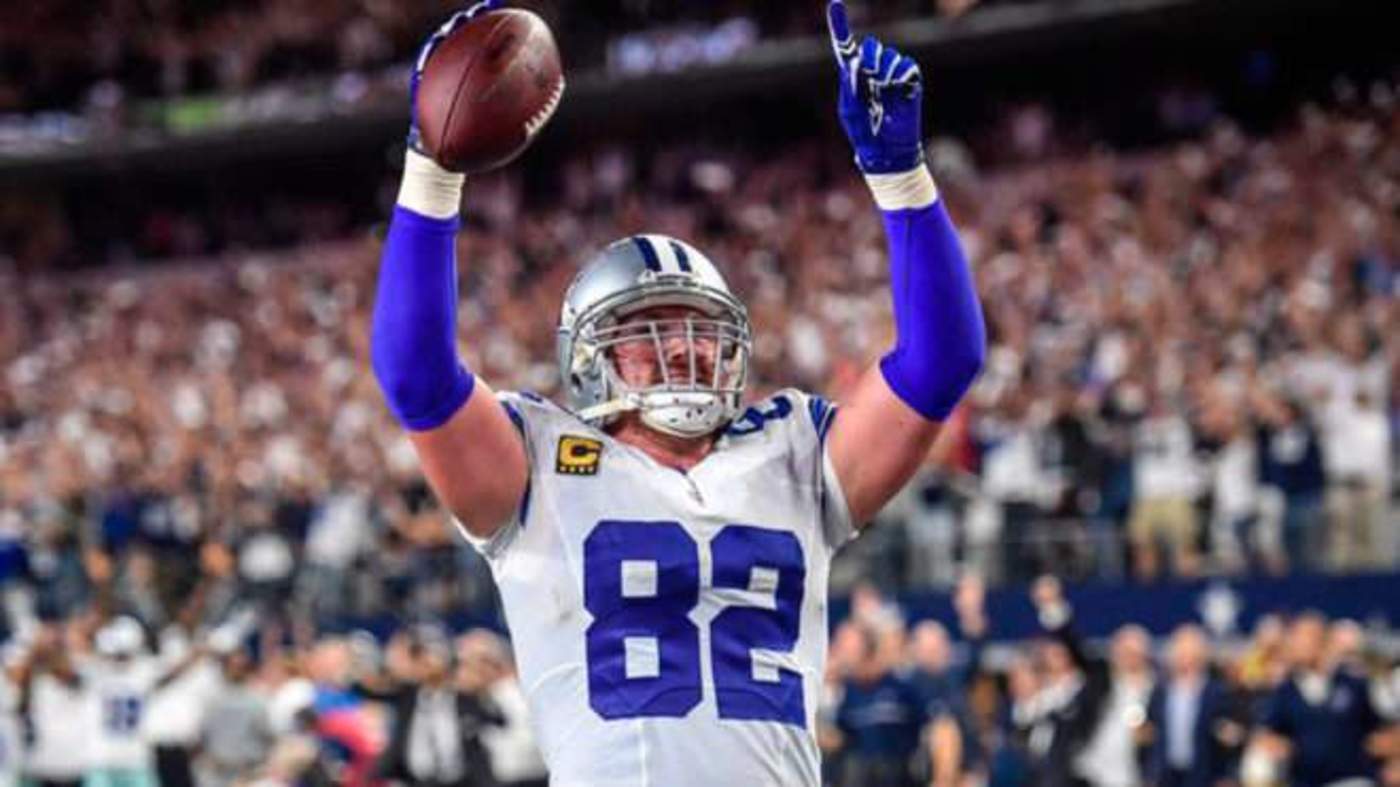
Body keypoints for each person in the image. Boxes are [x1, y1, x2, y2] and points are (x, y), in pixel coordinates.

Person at [368, 0, 985, 783]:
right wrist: (431, 173)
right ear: (590, 356)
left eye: (700, 326)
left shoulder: (793, 450)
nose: (685, 345)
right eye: (651, 327)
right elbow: (416, 373)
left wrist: (902, 180)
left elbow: (942, 362)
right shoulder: (541, 463)